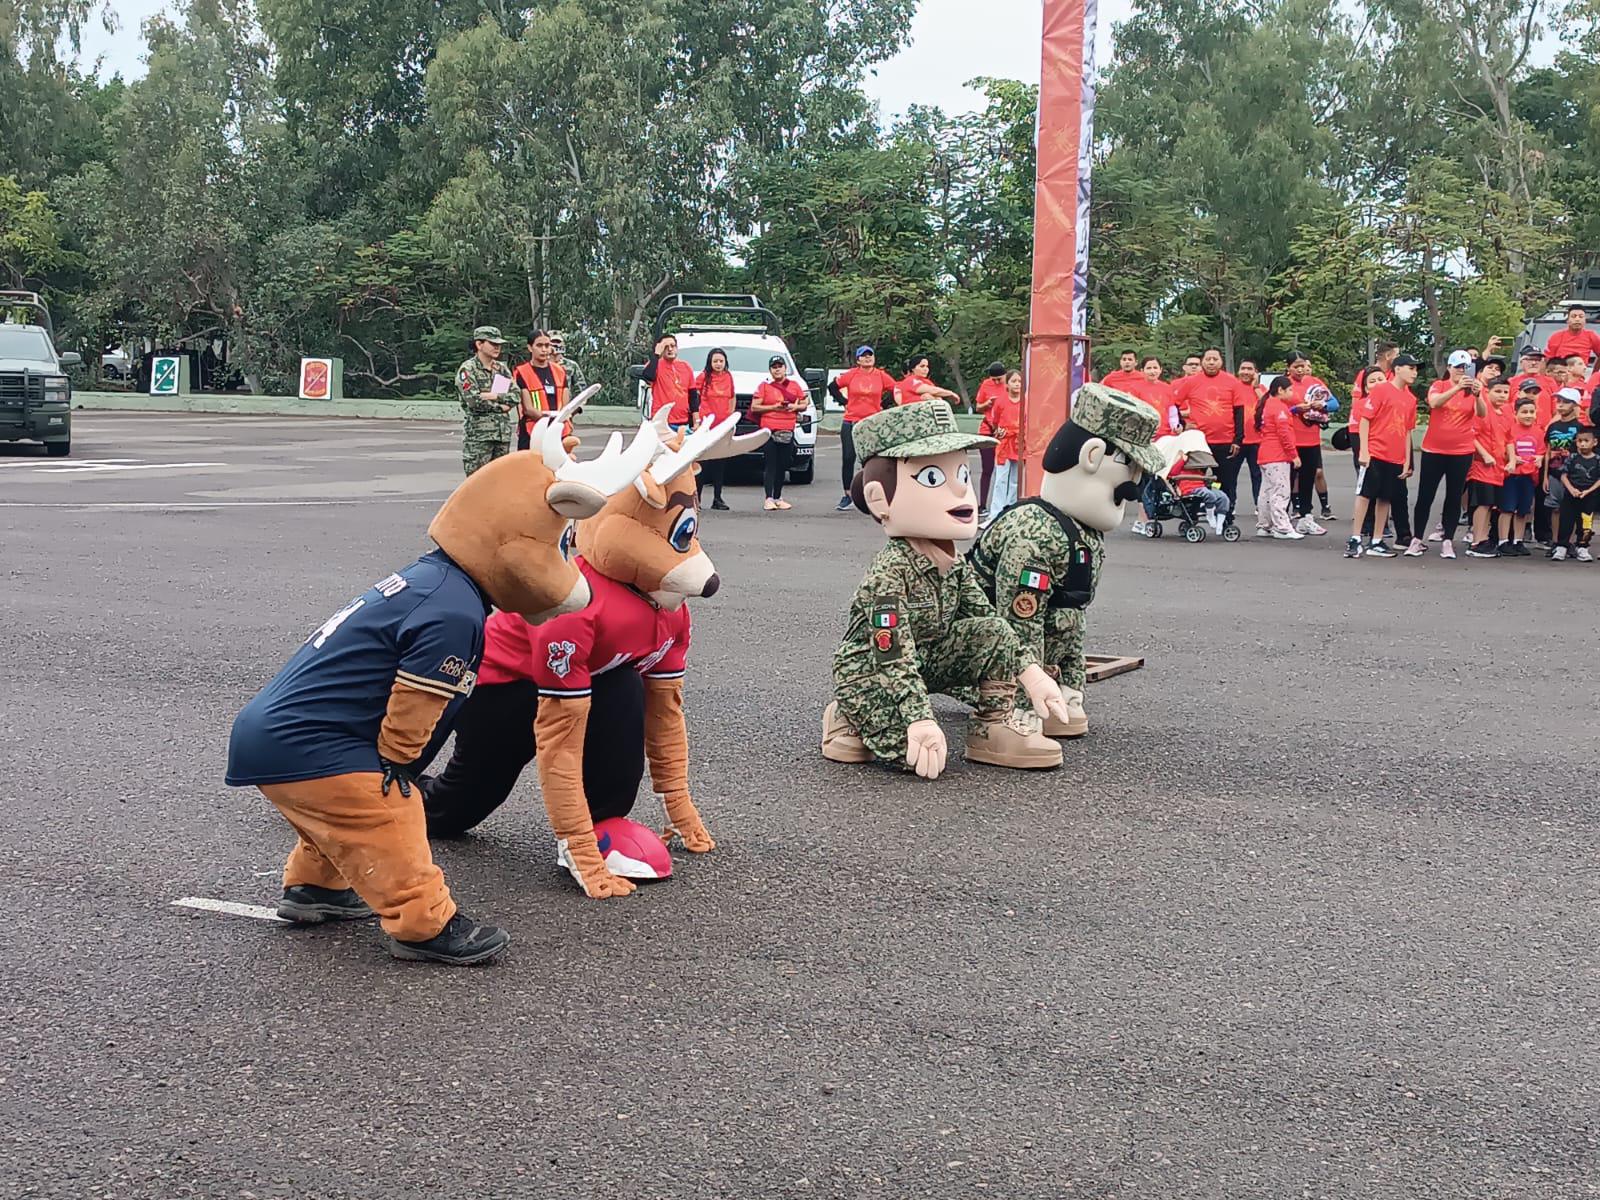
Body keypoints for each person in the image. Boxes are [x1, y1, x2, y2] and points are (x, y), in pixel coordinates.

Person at [224, 414, 661, 964]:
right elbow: (416, 703)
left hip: (276, 736)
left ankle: (317, 889)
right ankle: (423, 924)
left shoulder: (430, 578)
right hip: (310, 746)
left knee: (340, 819)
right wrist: (398, 767)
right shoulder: (454, 611)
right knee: (390, 815)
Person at [822, 401, 1069, 777]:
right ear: (879, 500)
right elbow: (894, 656)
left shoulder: (951, 562)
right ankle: (847, 712)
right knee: (910, 753)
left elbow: (988, 621)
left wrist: (1031, 673)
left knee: (994, 630)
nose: (959, 491)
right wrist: (920, 720)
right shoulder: (889, 575)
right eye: (934, 478)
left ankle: (992, 727)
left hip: (926, 659)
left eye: (963, 475)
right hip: (874, 670)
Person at [1409, 350, 1482, 558]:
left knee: (1454, 495)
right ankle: (1417, 538)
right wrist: (1457, 387)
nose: (1461, 371)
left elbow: (1482, 413)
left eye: (1465, 368)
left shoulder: (1473, 390)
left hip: (1461, 450)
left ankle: (1448, 540)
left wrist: (1478, 395)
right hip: (1434, 449)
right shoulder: (1439, 385)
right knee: (1425, 494)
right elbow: (1434, 403)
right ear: (1449, 368)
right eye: (1458, 367)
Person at [1347, 353, 1420, 559]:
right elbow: (1365, 420)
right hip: (1376, 451)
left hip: (1395, 456)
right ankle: (1355, 538)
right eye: (1411, 368)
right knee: (1365, 495)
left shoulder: (1410, 399)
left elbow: (1407, 431)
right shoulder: (1381, 390)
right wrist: (1364, 450)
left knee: (1385, 497)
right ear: (1398, 369)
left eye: (1416, 369)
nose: (1414, 372)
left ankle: (1377, 540)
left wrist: (1407, 460)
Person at [1172, 348, 1251, 523]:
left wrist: (1238, 439)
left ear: (1221, 362)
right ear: (1202, 362)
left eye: (1215, 359)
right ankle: (1191, 516)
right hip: (1199, 443)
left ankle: (1226, 517)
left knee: (1225, 481)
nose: (1211, 362)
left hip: (1225, 441)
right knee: (1194, 480)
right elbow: (1173, 403)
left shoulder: (1232, 382)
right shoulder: (1191, 382)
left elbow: (1239, 412)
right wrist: (1182, 424)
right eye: (1208, 359)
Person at [829, 345, 899, 511]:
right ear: (858, 359)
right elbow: (833, 387)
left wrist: (884, 404)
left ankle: (871, 495)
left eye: (870, 355)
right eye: (864, 356)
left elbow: (896, 389)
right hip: (851, 421)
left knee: (871, 460)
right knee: (848, 458)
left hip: (871, 423)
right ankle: (847, 495)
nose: (868, 358)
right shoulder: (852, 374)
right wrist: (844, 402)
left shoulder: (880, 375)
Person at [750, 354, 810, 510]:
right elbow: (755, 407)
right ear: (770, 370)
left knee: (783, 464)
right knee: (771, 464)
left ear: (785, 368)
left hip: (787, 429)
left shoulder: (795, 385)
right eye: (774, 367)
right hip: (769, 429)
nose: (777, 370)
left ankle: (778, 496)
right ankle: (768, 498)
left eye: (779, 367)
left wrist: (794, 407)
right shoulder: (764, 386)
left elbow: (804, 402)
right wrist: (774, 407)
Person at [455, 325, 518, 476]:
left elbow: (514, 395)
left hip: (502, 434)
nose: (497, 348)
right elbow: (474, 401)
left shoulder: (500, 369)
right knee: (478, 482)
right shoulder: (468, 369)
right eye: (493, 344)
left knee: (500, 482)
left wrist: (494, 396)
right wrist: (501, 406)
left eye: (499, 345)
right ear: (479, 344)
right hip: (479, 436)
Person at [1127, 357, 1178, 535]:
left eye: (1155, 367)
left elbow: (1172, 411)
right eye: (1149, 368)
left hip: (1165, 438)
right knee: (1145, 479)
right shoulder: (1136, 389)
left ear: (1160, 370)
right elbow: (1133, 412)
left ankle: (1153, 514)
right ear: (1142, 370)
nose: (1152, 371)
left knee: (1160, 477)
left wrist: (1175, 426)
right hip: (1144, 439)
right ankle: (1142, 519)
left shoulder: (1167, 388)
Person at [1284, 353, 1332, 534]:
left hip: (1311, 440)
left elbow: (1334, 403)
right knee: (1286, 481)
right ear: (1288, 367)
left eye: (1303, 365)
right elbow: (1272, 407)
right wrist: (1295, 409)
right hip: (1290, 440)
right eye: (1296, 366)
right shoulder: (1283, 384)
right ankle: (1280, 517)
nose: (1301, 369)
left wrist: (1322, 405)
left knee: (1307, 479)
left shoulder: (1314, 382)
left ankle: (1306, 516)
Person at [1466, 379, 1514, 558]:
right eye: (1498, 391)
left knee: (1491, 504)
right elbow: (1472, 434)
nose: (1502, 395)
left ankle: (1484, 538)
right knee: (1482, 503)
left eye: (1505, 392)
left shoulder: (1506, 414)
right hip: (1481, 465)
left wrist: (1513, 460)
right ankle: (1476, 541)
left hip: (1498, 467)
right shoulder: (1482, 410)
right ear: (1489, 392)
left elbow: (1510, 439)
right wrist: (1485, 454)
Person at [1253, 374, 1300, 538]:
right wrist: (1293, 455)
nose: (1292, 393)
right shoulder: (1279, 407)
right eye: (1290, 390)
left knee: (1266, 492)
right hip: (1277, 455)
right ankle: (1282, 527)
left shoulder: (1267, 405)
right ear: (1280, 390)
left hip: (1265, 455)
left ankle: (1264, 525)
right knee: (1280, 491)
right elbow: (1284, 433)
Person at [692, 348, 737, 510]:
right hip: (706, 426)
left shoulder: (728, 376)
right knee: (703, 464)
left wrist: (730, 417)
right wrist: (696, 420)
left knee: (720, 463)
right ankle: (697, 499)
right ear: (710, 363)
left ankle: (718, 498)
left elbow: (732, 397)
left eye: (721, 361)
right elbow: (693, 398)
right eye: (715, 361)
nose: (718, 364)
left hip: (722, 426)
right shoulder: (703, 377)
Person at [1499, 396, 1544, 555]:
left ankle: (1518, 540)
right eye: (1524, 412)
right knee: (1507, 508)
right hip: (1512, 475)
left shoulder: (1538, 432)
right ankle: (1503, 540)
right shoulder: (1510, 430)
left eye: (1532, 412)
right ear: (1515, 413)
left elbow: (1542, 451)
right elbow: (1503, 448)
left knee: (1523, 510)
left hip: (1529, 475)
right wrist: (1510, 457)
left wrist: (1540, 458)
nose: (1528, 415)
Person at [1541, 387, 1583, 555]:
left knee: (1571, 509)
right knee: (1555, 507)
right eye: (1559, 401)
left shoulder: (1579, 427)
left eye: (1566, 402)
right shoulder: (1553, 426)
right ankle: (1557, 540)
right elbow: (1547, 451)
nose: (1561, 405)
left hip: (1573, 474)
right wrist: (1545, 476)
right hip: (1554, 471)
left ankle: (1569, 541)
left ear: (1575, 405)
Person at [512, 330, 568, 451]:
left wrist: (559, 422)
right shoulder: (521, 372)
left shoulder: (560, 371)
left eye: (547, 346)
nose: (544, 349)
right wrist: (548, 422)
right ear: (530, 348)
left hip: (558, 430)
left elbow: (565, 404)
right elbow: (527, 408)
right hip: (532, 430)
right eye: (539, 345)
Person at [979, 369, 1024, 519]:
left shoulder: (1026, 401)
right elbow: (995, 420)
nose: (1017, 384)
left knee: (1015, 480)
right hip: (1004, 443)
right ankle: (995, 513)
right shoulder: (1001, 401)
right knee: (1001, 479)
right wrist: (999, 431)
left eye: (1019, 381)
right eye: (1014, 381)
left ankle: (1010, 508)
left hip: (1019, 443)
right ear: (1008, 384)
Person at [1555, 426, 1600, 560]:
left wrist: (1588, 491)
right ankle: (1562, 546)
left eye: (1586, 441)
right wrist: (1571, 489)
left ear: (1595, 442)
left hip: (1589, 496)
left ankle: (1583, 547)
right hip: (1571, 495)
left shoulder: (1597, 459)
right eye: (1580, 441)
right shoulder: (1573, 458)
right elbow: (1563, 475)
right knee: (1566, 521)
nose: (1583, 444)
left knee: (1585, 524)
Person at [970, 361, 1009, 514]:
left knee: (1006, 470)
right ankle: (982, 505)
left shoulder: (1011, 384)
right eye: (994, 379)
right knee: (987, 469)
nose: (997, 382)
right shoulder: (986, 385)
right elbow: (978, 407)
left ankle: (1005, 503)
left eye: (999, 379)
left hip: (1005, 431)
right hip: (987, 428)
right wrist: (987, 403)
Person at [642, 334, 695, 426]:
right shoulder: (655, 365)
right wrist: (656, 354)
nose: (670, 349)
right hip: (661, 422)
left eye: (672, 346)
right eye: (666, 347)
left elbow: (693, 395)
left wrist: (696, 419)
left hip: (683, 421)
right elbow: (648, 376)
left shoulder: (686, 366)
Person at [1237, 359, 1266, 505]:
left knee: (1258, 475)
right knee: (1230, 475)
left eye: (1250, 369)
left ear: (1256, 372)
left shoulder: (1262, 389)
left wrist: (1256, 388)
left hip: (1257, 440)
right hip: (1236, 440)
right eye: (1243, 368)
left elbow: (1268, 405)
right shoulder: (1233, 387)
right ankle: (1229, 505)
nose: (1246, 372)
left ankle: (1259, 505)